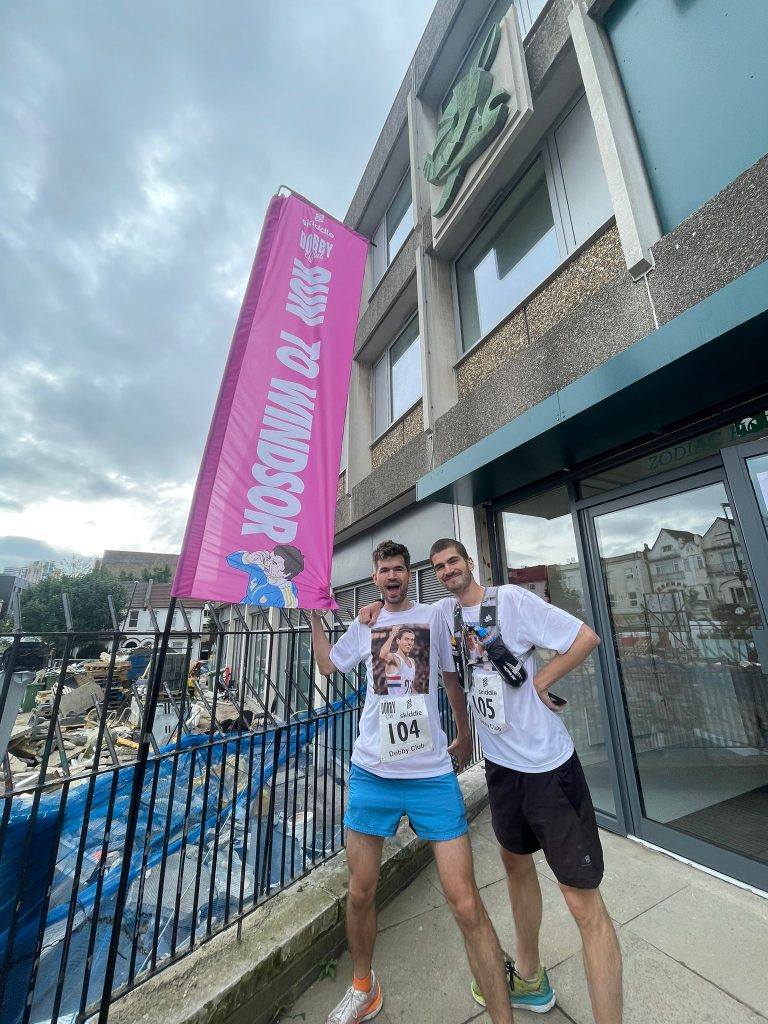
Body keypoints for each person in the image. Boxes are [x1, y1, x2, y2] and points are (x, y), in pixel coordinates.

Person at [360, 538, 623, 1023]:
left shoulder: (513, 601)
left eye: (453, 562)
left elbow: (586, 637)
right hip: (502, 770)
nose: (446, 570)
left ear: (470, 564)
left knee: (582, 901)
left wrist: (542, 682)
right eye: (438, 566)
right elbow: (413, 626)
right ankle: (528, 977)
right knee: (515, 863)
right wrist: (375, 606)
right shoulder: (446, 615)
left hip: (546, 769)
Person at [310, 539, 514, 1024]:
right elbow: (326, 665)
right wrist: (314, 615)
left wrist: (464, 734)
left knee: (466, 903)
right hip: (372, 773)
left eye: (399, 569)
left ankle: (503, 1017)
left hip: (429, 776)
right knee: (360, 893)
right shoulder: (366, 624)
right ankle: (364, 988)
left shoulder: (435, 617)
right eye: (384, 570)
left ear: (409, 573)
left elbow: (450, 679)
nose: (392, 576)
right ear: (375, 577)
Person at [226, 544, 304, 607]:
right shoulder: (260, 569)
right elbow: (230, 560)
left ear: (287, 573)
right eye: (269, 558)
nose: (267, 563)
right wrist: (248, 558)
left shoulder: (285, 594)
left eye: (274, 563)